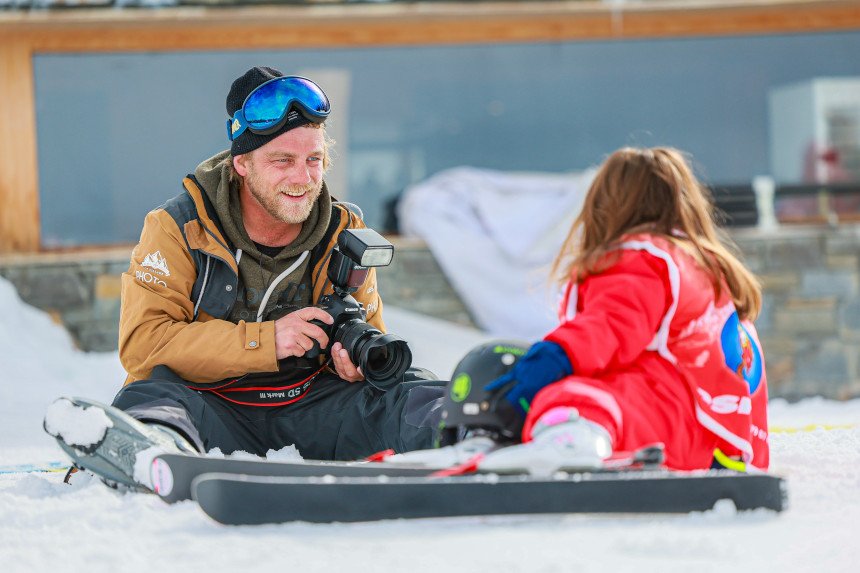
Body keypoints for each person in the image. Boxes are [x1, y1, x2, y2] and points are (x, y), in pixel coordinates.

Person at [46, 67, 445, 491]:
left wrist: (355, 364)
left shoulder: (344, 229)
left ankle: (467, 432)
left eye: (314, 160)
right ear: (242, 163)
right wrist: (265, 341)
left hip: (312, 407)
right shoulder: (178, 226)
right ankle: (152, 455)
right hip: (211, 407)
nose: (303, 178)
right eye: (282, 161)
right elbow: (144, 346)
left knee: (407, 389)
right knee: (151, 397)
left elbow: (368, 334)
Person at [401, 146, 770, 474]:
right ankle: (537, 441)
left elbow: (610, 325)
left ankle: (567, 447)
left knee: (572, 395)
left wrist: (555, 356)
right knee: (585, 387)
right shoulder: (703, 265)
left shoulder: (642, 259)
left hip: (673, 427)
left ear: (609, 204)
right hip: (724, 440)